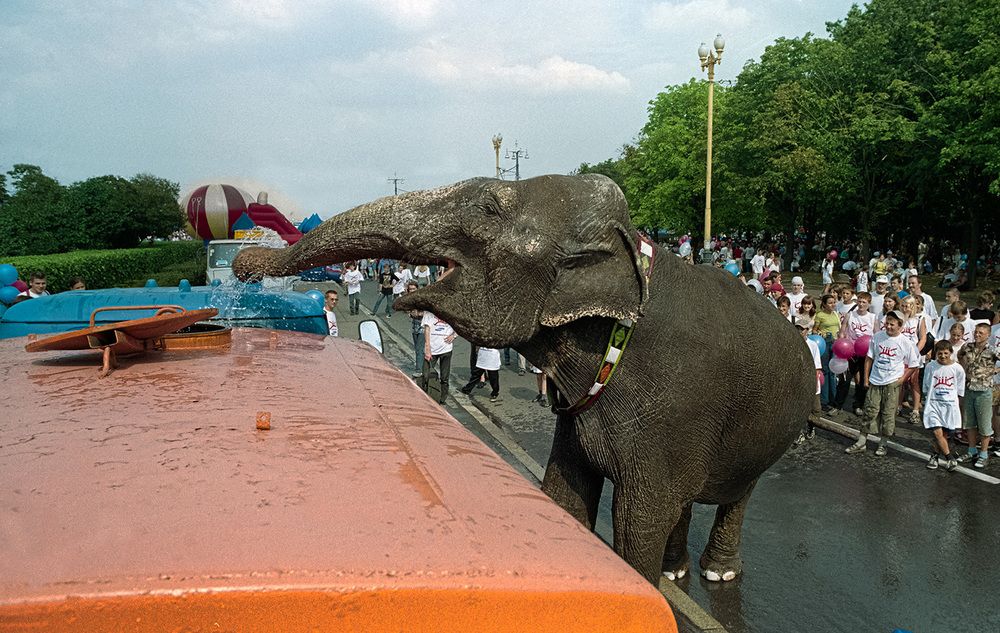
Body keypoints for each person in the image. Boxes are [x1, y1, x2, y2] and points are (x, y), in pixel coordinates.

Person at [846, 310, 920, 456]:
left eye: (892, 324)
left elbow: (913, 364)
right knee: (869, 411)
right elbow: (869, 358)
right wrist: (866, 378)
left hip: (892, 382)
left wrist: (901, 380)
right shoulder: (877, 337)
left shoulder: (906, 342)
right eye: (887, 323)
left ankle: (883, 444)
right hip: (875, 380)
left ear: (900, 325)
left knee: (888, 414)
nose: (889, 326)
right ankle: (861, 442)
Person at [956, 323, 999, 468]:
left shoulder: (993, 350)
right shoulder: (967, 347)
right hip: (969, 388)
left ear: (988, 335)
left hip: (984, 391)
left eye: (981, 333)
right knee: (969, 422)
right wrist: (964, 368)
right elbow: (959, 355)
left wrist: (995, 370)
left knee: (985, 424)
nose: (977, 335)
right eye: (976, 332)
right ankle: (971, 450)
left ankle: (984, 454)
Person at [922, 340, 964, 472]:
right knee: (937, 432)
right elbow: (926, 384)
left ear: (951, 353)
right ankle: (949, 457)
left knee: (943, 434)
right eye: (940, 353)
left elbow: (959, 390)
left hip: (949, 406)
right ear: (936, 354)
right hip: (934, 404)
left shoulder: (957, 369)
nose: (943, 356)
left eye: (946, 353)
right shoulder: (931, 366)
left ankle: (934, 456)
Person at [837, 291, 877, 416]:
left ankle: (859, 404)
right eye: (859, 301)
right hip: (850, 351)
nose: (861, 304)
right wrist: (842, 344)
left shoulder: (872, 317)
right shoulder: (851, 315)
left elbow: (876, 335)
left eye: (864, 302)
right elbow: (843, 331)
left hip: (865, 353)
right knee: (845, 379)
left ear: (869, 304)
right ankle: (837, 405)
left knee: (862, 381)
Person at [794, 315, 823, 445]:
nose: (800, 331)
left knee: (815, 408)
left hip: (811, 382)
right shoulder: (792, 345)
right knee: (798, 409)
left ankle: (811, 427)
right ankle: (799, 432)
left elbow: (817, 367)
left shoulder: (813, 346)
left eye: (803, 329)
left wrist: (812, 384)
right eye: (798, 328)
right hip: (797, 382)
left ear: (808, 331)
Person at [898, 295, 927, 422]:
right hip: (900, 355)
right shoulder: (899, 318)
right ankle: (897, 406)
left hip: (914, 355)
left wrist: (915, 352)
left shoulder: (919, 319)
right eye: (903, 306)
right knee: (900, 381)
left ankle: (915, 410)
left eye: (908, 306)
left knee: (913, 382)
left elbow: (923, 338)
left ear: (913, 307)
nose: (905, 309)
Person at [422, 310, 457, 406]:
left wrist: (454, 335)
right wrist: (427, 348)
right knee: (426, 374)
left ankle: (442, 399)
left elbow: (460, 325)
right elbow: (427, 329)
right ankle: (426, 396)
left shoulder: (451, 310)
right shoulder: (429, 312)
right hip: (432, 350)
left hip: (446, 349)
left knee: (444, 377)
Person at [815, 294, 841, 410]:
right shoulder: (820, 315)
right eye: (830, 303)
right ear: (824, 304)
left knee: (833, 371)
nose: (832, 305)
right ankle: (824, 400)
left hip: (835, 343)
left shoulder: (836, 314)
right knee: (825, 370)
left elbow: (839, 328)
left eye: (834, 302)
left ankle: (833, 398)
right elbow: (815, 330)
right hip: (825, 343)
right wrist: (821, 333)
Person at [406, 281, 424, 378]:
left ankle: (419, 370)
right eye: (410, 289)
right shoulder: (410, 300)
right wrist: (410, 313)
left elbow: (428, 312)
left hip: (423, 327)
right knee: (418, 349)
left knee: (419, 349)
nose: (412, 290)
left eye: (413, 289)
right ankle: (422, 367)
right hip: (414, 327)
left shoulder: (421, 299)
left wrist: (419, 314)